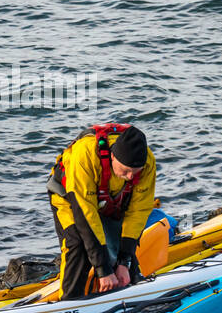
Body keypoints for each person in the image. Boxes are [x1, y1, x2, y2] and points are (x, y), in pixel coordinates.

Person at [47, 123, 156, 299]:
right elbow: (86, 214)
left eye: (135, 172)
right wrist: (103, 269)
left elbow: (139, 212)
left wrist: (124, 262)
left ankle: (131, 294)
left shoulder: (147, 162)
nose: (130, 177)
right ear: (112, 156)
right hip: (70, 197)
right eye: (126, 171)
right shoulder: (85, 154)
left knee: (125, 255)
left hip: (110, 201)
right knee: (78, 246)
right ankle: (68, 303)